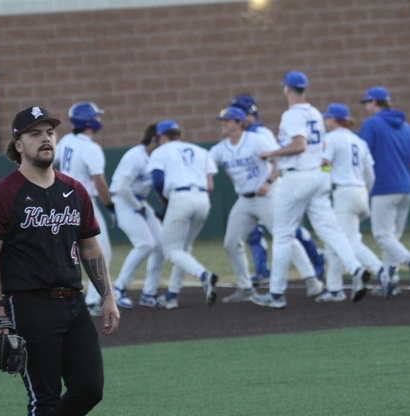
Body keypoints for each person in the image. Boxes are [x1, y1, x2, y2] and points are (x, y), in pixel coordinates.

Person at [0, 106, 120, 416]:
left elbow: (91, 245)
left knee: (90, 389)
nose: (45, 138)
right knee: (44, 396)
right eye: (35, 133)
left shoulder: (74, 189)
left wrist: (107, 295)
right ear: (18, 144)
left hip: (74, 304)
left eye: (50, 132)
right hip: (28, 305)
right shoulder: (2, 194)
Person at [250, 71, 372, 309]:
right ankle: (356, 268)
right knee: (331, 231)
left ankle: (276, 294)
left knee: (283, 234)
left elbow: (299, 145)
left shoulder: (292, 115)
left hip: (298, 176)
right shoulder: (315, 112)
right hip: (318, 176)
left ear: (286, 89)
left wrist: (271, 153)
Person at [208, 107, 323, 303]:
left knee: (283, 235)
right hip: (245, 199)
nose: (223, 124)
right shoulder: (220, 149)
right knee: (230, 242)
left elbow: (278, 162)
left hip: (268, 196)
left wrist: (268, 183)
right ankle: (245, 288)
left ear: (239, 123)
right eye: (222, 120)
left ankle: (311, 279)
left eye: (227, 120)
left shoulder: (255, 140)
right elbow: (206, 165)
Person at [230, 94, 326, 283]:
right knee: (256, 233)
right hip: (256, 191)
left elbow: (276, 159)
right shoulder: (245, 135)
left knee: (288, 230)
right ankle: (262, 270)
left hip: (273, 187)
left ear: (250, 115)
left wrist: (269, 182)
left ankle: (316, 261)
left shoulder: (260, 133)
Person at [359, 86, 410, 295]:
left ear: (373, 102)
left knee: (382, 236)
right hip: (406, 188)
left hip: (384, 187)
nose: (366, 108)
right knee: (391, 239)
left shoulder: (371, 124)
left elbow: (364, 158)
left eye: (367, 103)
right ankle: (390, 282)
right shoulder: (407, 127)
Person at [314, 104, 386, 302]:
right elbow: (370, 173)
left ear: (333, 120)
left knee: (342, 241)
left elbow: (324, 163)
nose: (326, 122)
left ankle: (380, 270)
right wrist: (365, 192)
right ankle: (338, 287)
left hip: (344, 193)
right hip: (361, 191)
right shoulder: (358, 140)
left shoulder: (331, 139)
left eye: (327, 118)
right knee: (342, 241)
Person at [146, 120, 219, 309]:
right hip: (203, 198)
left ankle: (204, 275)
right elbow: (210, 185)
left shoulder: (160, 152)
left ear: (161, 136)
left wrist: (164, 198)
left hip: (180, 197)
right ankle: (171, 295)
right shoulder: (200, 150)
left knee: (170, 250)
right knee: (183, 249)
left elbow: (157, 181)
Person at [53, 101, 115, 312]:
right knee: (101, 251)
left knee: (68, 252)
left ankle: (62, 297)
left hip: (63, 201)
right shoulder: (91, 147)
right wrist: (110, 205)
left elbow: (52, 163)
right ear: (88, 121)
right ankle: (91, 302)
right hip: (84, 202)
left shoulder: (67, 140)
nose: (99, 120)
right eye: (96, 117)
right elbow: (100, 183)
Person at [108, 124, 166, 307]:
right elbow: (123, 188)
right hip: (123, 199)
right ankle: (118, 289)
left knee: (161, 245)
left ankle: (149, 294)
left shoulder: (157, 157)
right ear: (154, 139)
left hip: (138, 201)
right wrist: (138, 207)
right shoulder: (136, 155)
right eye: (163, 138)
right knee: (145, 243)